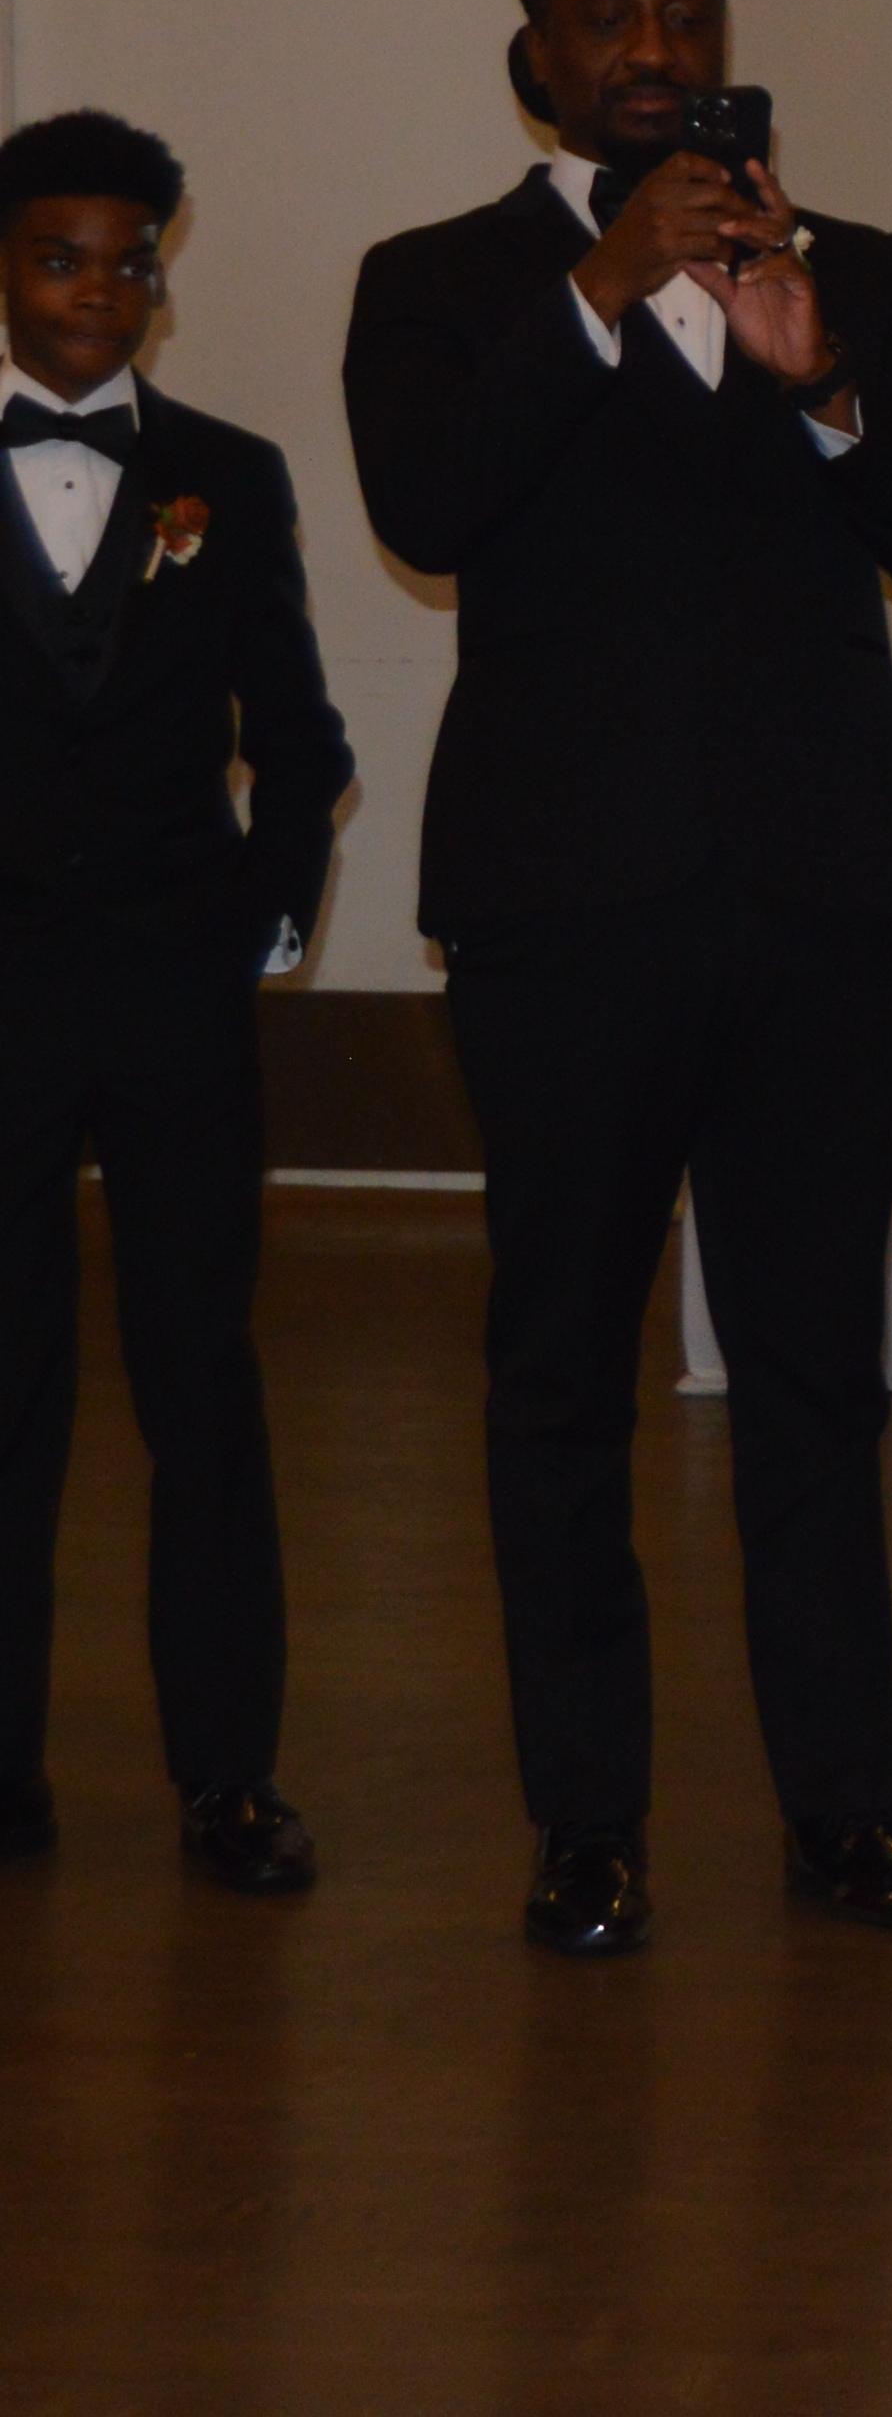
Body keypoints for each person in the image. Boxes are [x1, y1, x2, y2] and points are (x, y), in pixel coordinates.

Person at [344, 0, 892, 1959]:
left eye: (685, 14)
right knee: (564, 1374)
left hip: (820, 910)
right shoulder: (438, 281)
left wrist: (827, 388)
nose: (651, 49)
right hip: (563, 920)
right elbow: (429, 507)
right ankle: (587, 1822)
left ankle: (845, 1809)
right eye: (607, 18)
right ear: (536, 60)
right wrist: (604, 282)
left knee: (816, 1373)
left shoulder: (855, 268)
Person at [0, 111, 347, 1896]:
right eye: (61, 258)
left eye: (130, 261)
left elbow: (300, 737)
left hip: (173, 999)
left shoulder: (231, 473)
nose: (100, 291)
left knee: (202, 1378)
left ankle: (228, 1776)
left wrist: (258, 920)